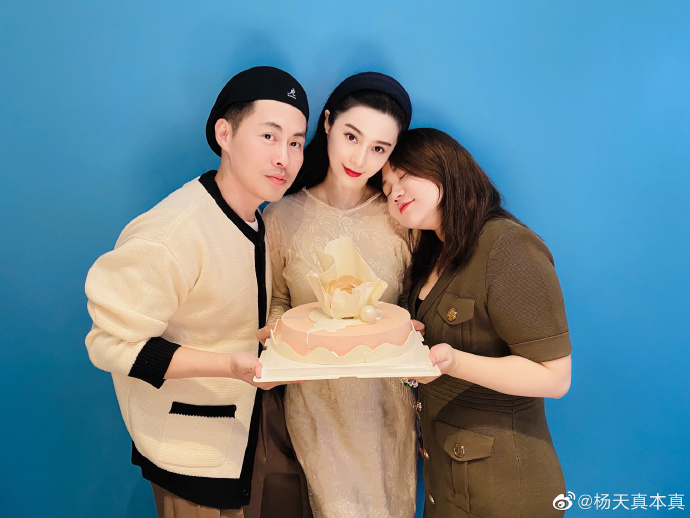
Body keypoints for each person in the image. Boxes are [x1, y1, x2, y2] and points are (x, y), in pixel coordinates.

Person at [84, 66, 309, 518]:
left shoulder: (256, 218)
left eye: (296, 142)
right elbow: (109, 344)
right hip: (192, 453)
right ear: (224, 134)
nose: (283, 157)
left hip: (248, 435)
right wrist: (228, 365)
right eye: (269, 136)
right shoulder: (174, 232)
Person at [381, 127, 572, 517]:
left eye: (403, 175)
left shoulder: (507, 246)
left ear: (444, 167)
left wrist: (454, 362)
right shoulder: (432, 253)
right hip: (446, 485)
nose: (394, 192)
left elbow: (555, 379)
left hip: (505, 490)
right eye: (386, 189)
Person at [251, 72, 417, 518]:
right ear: (327, 123)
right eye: (351, 136)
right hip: (314, 403)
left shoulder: (400, 219)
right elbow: (278, 301)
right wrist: (275, 334)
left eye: (379, 148)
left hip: (388, 405)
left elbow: (413, 306)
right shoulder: (282, 216)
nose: (360, 158)